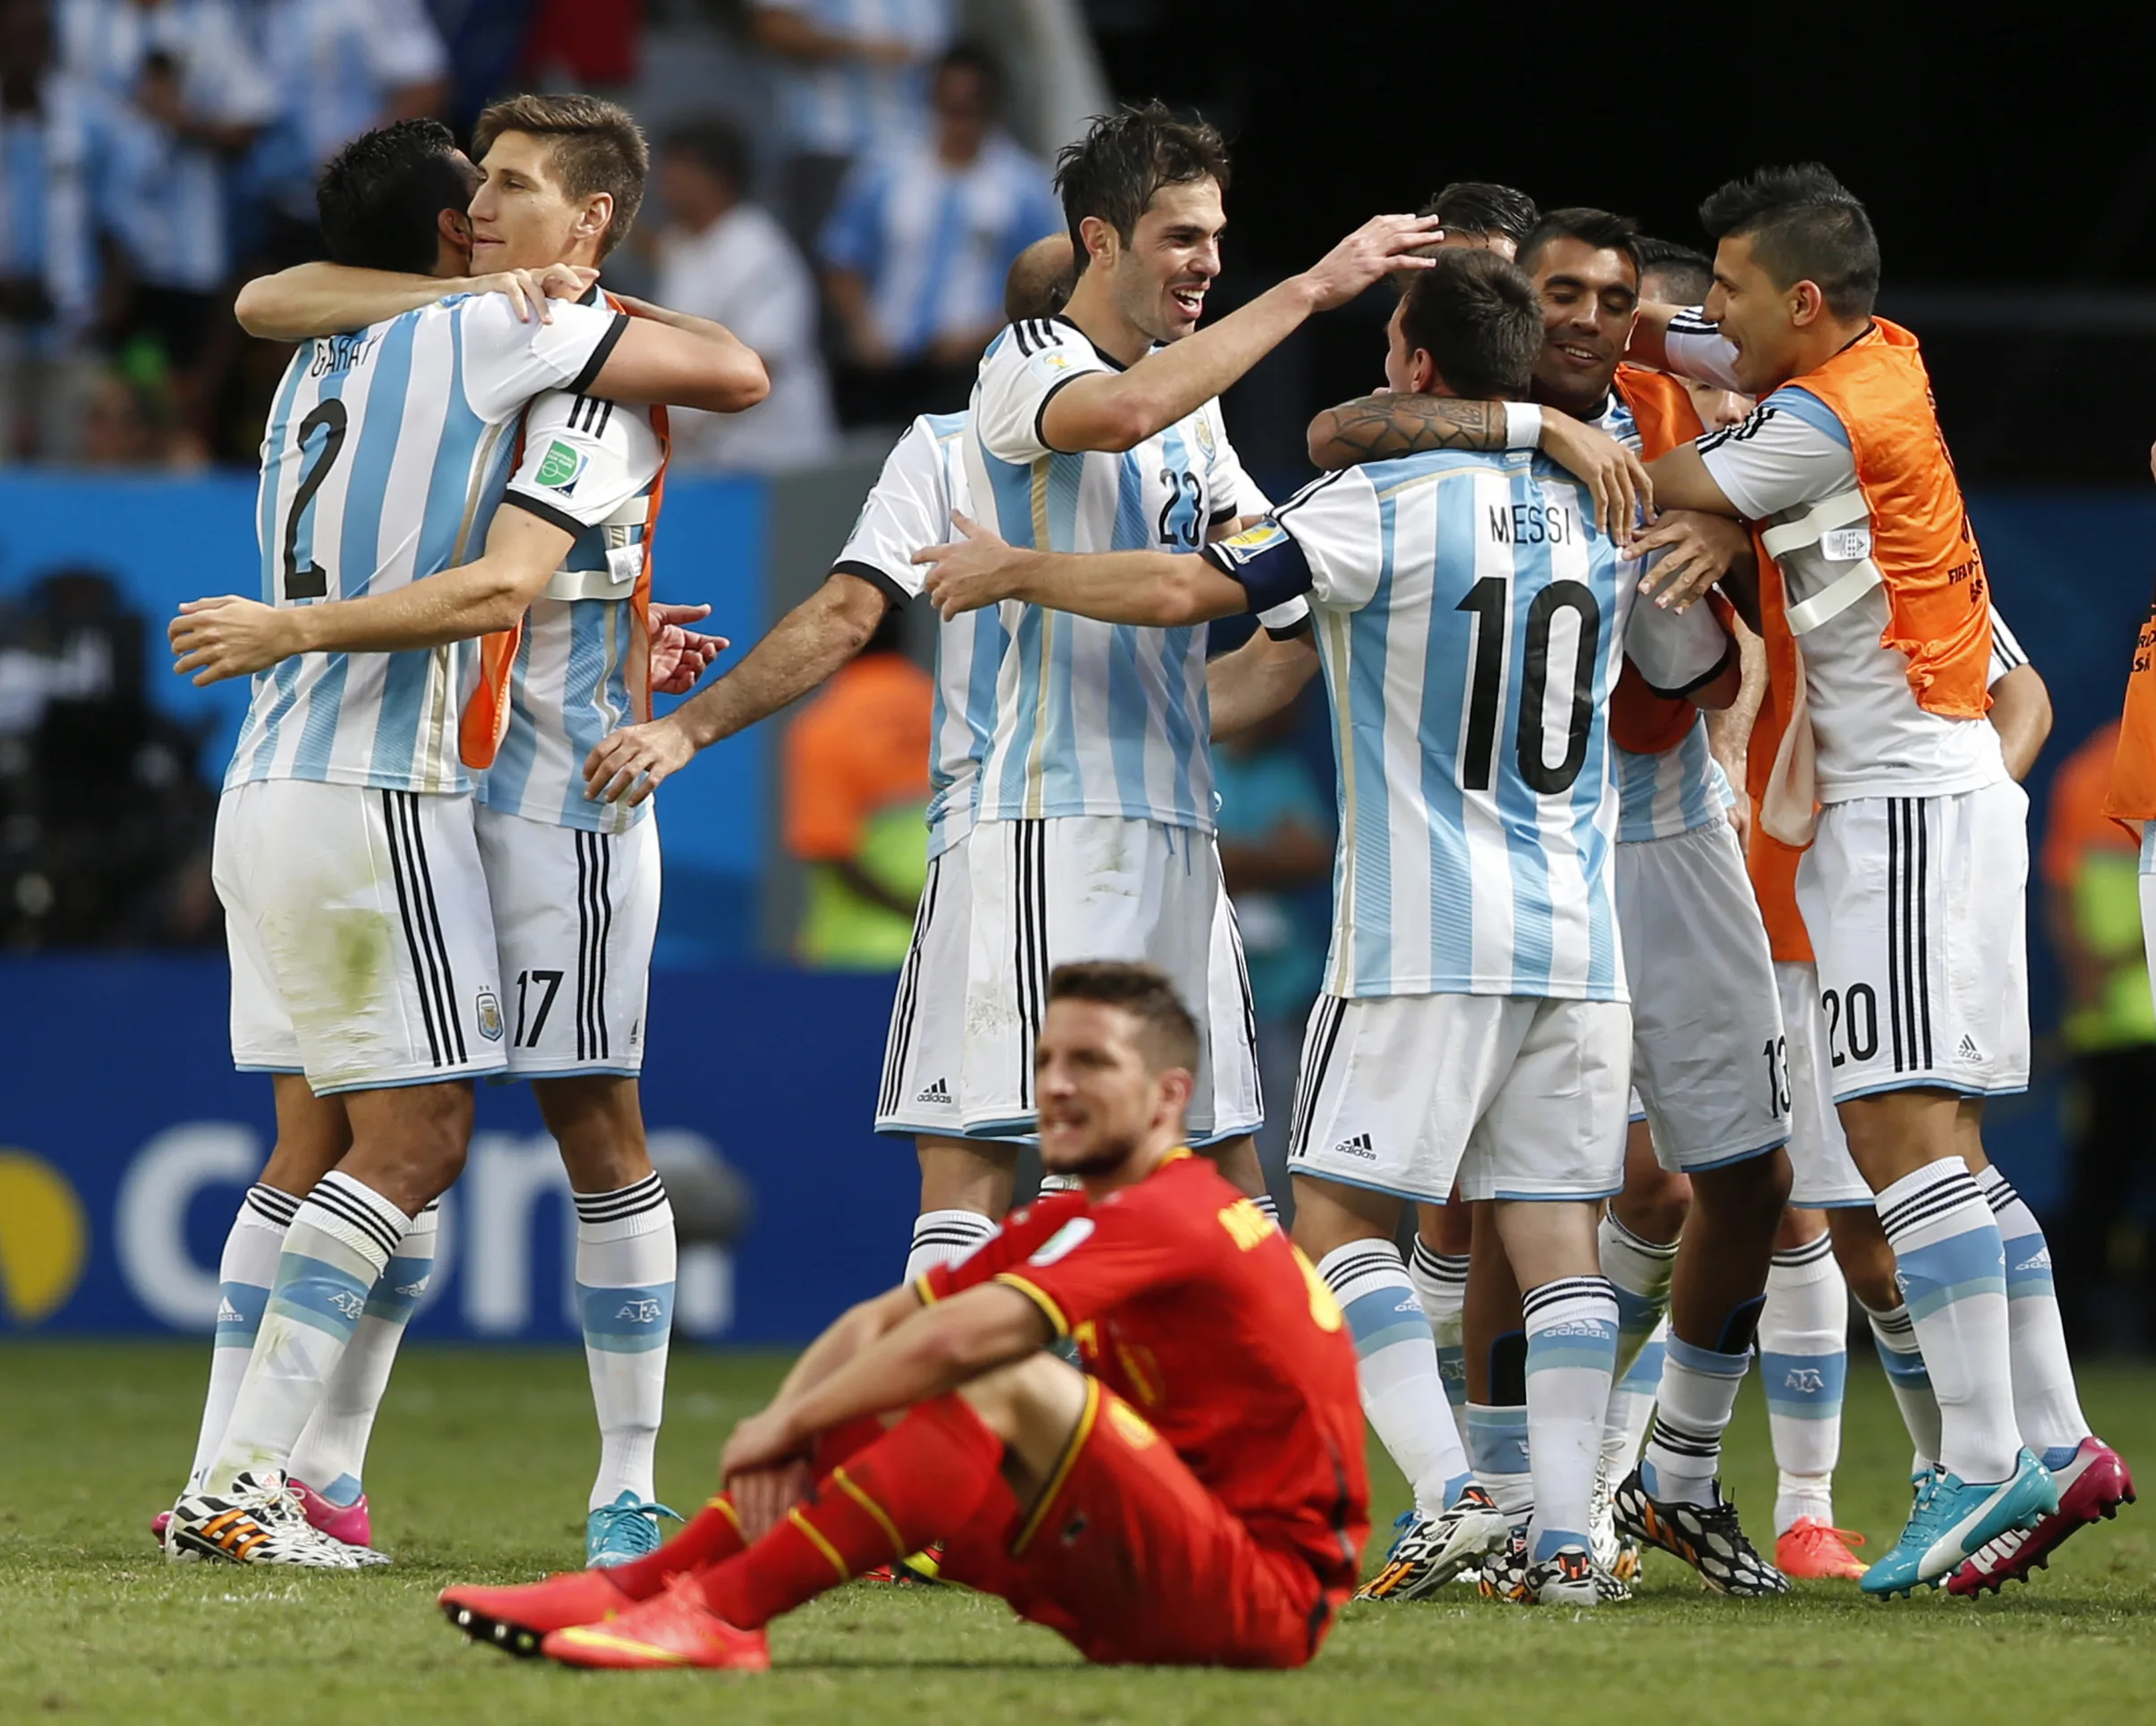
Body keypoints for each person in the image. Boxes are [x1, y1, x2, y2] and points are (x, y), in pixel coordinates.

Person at [920, 248, 1740, 1604]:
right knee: (1556, 1237)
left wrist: (1022, 569)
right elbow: (1695, 668)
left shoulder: (1377, 499)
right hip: (1578, 936)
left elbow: (1195, 589)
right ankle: (1570, 1542)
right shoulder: (1608, 502)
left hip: (1424, 929)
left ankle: (1455, 1490)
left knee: (1340, 1220)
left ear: (1417, 367)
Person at [156, 112, 766, 1570]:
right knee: (396, 1138)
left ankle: (585, 1477)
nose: (488, 213)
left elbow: (268, 302)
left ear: (590, 220)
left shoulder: (355, 352)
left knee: (488, 1130)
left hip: (509, 803)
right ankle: (263, 1477)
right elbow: (511, 563)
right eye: (476, 188)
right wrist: (527, 295)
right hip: (392, 790)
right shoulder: (502, 336)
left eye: (514, 188)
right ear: (444, 233)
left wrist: (619, 621)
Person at [1629, 161, 2128, 1594]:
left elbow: (1649, 477)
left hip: (1900, 810)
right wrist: (1650, 337)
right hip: (1932, 795)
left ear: (1798, 299)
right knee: (1950, 1154)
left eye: (1723, 287)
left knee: (1897, 1142)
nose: (1705, 313)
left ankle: (1975, 1472)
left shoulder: (1819, 419)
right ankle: (2058, 1436)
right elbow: (1724, 370)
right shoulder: (1879, 355)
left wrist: (1542, 413)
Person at [1303, 209, 1790, 1599]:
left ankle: (1667, 1476)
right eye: (1557, 293)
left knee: (1733, 1172)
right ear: (1513, 310)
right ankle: (1518, 1495)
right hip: (1530, 853)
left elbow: (1717, 663)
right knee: (1513, 1196)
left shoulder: (1662, 425)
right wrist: (1525, 436)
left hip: (1650, 828)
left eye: (1612, 299)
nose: (1586, 317)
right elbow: (1340, 427)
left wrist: (1715, 555)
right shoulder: (1488, 433)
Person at [436, 961, 1370, 1675]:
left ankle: (721, 1614)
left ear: (1171, 1095)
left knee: (998, 1381)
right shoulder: (1077, 1212)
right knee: (903, 1403)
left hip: (1261, 1600)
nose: (1055, 1085)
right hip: (1156, 1561)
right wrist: (790, 1434)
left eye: (1092, 1062)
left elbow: (963, 1342)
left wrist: (785, 1423)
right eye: (1045, 1059)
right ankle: (636, 1587)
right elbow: (886, 1319)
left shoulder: (1176, 1213)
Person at [819, 42, 1061, 426]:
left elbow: (1046, 285)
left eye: (969, 110)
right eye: (948, 107)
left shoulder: (1022, 187)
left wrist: (983, 333)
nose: (958, 122)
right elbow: (843, 256)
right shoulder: (885, 170)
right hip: (885, 360)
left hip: (970, 363)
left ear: (991, 110)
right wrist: (862, 327)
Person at [2044, 710, 2156, 1347]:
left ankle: (2077, 1333)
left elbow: (2058, 890)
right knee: (2099, 1190)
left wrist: (2086, 968)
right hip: (2113, 1026)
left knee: (2096, 1186)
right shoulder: (2090, 771)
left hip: (2103, 1022)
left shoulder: (2085, 768)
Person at [651, 117, 835, 472]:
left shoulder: (759, 247)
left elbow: (761, 365)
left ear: (716, 176)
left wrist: (685, 422)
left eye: (680, 166)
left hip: (778, 458)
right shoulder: (679, 244)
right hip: (707, 460)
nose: (667, 180)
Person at [781, 602, 933, 968]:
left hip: (858, 954)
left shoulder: (825, 726)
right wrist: (933, 913)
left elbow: (830, 850)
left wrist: (911, 911)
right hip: (948, 946)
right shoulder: (950, 712)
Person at [748, 0, 952, 250]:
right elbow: (773, 27)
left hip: (918, 153)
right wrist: (862, 47)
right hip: (832, 146)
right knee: (834, 269)